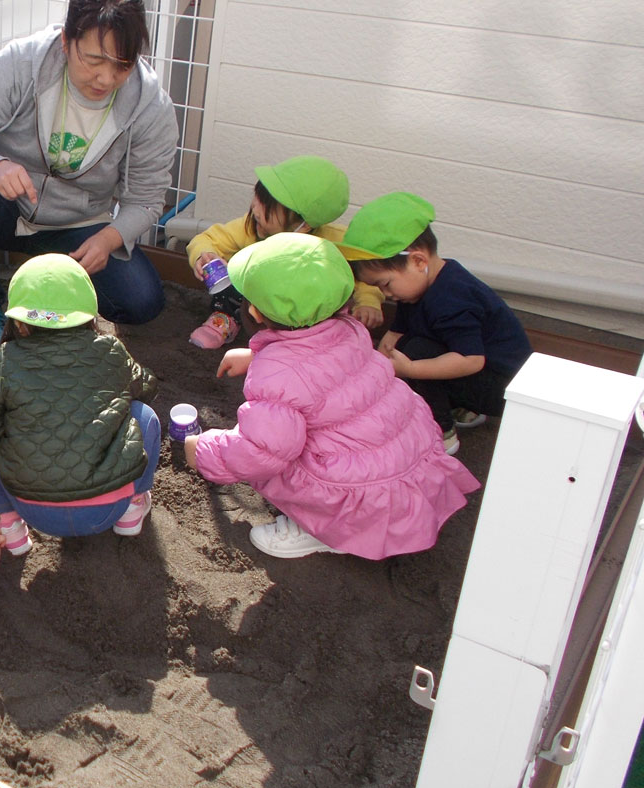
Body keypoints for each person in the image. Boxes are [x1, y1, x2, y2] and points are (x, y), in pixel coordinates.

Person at [184, 233, 480, 560]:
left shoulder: (278, 375)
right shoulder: (350, 330)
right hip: (408, 459)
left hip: (361, 493)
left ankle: (321, 530)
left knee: (280, 460)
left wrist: (205, 451)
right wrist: (256, 356)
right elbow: (319, 367)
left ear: (254, 312)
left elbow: (262, 449)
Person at [0, 0, 179, 355]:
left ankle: (50, 298)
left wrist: (110, 238)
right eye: (94, 60)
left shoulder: (150, 106)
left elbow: (146, 198)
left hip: (79, 225)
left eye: (122, 65)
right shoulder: (22, 64)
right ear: (67, 41)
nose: (105, 78)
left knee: (143, 302)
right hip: (9, 209)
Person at [0, 254, 160, 551]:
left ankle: (9, 526)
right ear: (91, 315)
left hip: (34, 509)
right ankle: (132, 507)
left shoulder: (8, 360)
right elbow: (146, 387)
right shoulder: (110, 350)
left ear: (21, 325)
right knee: (143, 415)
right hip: (107, 507)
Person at [338, 191, 533, 455]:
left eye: (385, 284)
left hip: (504, 388)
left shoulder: (453, 298)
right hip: (484, 374)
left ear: (418, 261)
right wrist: (383, 356)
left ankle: (441, 432)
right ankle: (461, 408)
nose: (386, 295)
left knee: (417, 353)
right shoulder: (419, 287)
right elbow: (399, 331)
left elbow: (471, 359)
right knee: (410, 347)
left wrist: (410, 369)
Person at [185, 155, 385, 349]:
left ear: (303, 225)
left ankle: (310, 342)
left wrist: (369, 302)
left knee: (332, 305)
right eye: (258, 197)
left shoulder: (331, 243)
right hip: (256, 307)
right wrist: (204, 254)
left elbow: (364, 273)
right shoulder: (251, 227)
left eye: (268, 207)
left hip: (304, 318)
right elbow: (208, 239)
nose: (256, 207)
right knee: (235, 276)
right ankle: (225, 319)